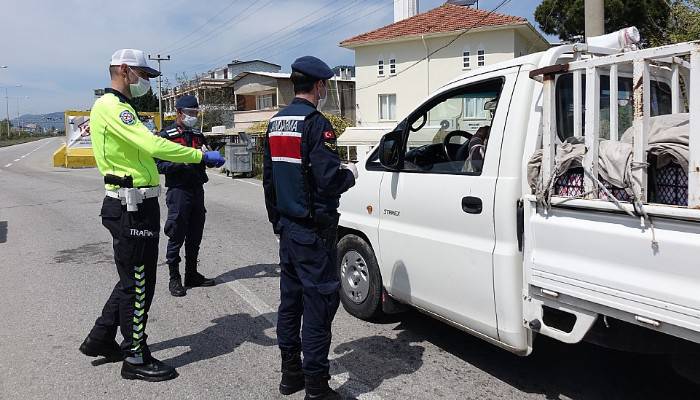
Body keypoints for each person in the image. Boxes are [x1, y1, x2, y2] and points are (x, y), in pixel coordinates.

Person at [79, 49, 225, 382]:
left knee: (133, 278)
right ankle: (135, 357)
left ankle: (101, 338)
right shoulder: (112, 107)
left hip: (138, 203)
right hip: (130, 206)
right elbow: (155, 146)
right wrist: (199, 157)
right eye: (143, 75)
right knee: (139, 283)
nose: (146, 82)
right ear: (125, 70)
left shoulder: (123, 108)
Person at [263, 56, 358, 400]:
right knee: (318, 304)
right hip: (314, 231)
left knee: (290, 302)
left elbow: (269, 182)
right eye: (326, 85)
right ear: (318, 86)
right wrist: (351, 174)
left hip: (288, 230)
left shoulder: (276, 123)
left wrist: (278, 222)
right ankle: (316, 386)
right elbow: (329, 179)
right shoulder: (317, 124)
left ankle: (291, 376)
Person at [156, 95, 216, 297]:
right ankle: (174, 278)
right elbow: (159, 165)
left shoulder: (198, 134)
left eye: (196, 113)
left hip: (197, 189)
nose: (194, 116)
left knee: (195, 234)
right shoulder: (167, 135)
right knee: (176, 234)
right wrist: (182, 163)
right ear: (179, 113)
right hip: (178, 191)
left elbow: (205, 155)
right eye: (190, 113)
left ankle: (192, 274)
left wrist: (212, 160)